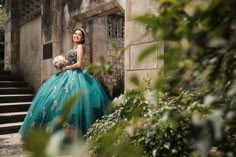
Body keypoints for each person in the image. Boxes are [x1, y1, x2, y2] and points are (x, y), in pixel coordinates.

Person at [19, 28, 110, 138]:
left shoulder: (80, 47)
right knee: (53, 99)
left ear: (82, 38)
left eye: (79, 35)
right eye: (75, 33)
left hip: (76, 75)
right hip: (67, 74)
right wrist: (61, 64)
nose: (76, 35)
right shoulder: (74, 48)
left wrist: (66, 67)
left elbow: (79, 64)